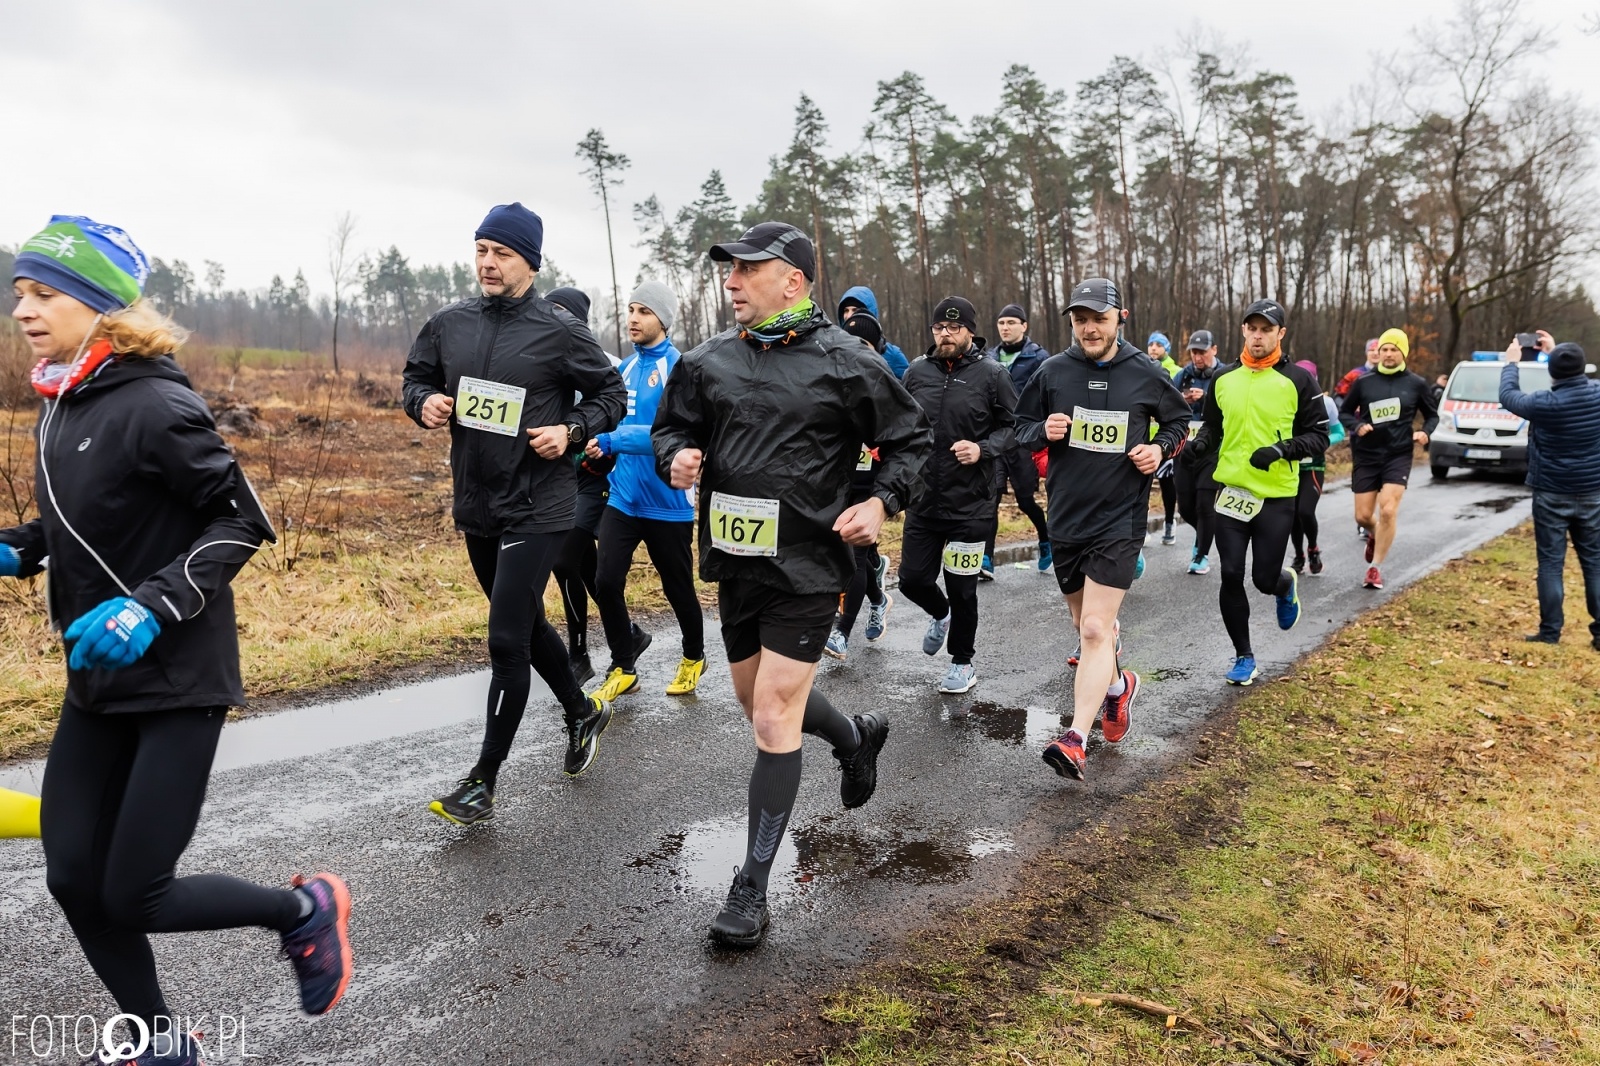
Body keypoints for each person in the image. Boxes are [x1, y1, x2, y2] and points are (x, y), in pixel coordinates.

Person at [3, 215, 351, 1065]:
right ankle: (161, 1039)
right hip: (97, 678)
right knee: (70, 877)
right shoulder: (63, 400)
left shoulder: (157, 402)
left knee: (135, 892)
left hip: (178, 677)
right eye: (18, 294)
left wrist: (152, 608)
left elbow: (242, 519)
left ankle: (301, 911)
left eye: (44, 293)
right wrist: (22, 546)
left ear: (98, 305)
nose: (24, 310)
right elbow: (93, 515)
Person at [653, 221, 933, 947]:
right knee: (758, 705)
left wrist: (881, 502)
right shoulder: (706, 361)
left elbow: (911, 439)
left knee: (774, 717)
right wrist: (678, 457)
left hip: (809, 567)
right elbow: (670, 430)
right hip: (734, 567)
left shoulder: (848, 362)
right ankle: (854, 736)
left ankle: (750, 889)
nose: (732, 281)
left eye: (748, 269)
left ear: (793, 282)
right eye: (729, 270)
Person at [403, 203, 626, 826]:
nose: (487, 263)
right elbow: (414, 378)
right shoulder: (449, 324)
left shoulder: (559, 329)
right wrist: (424, 404)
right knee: (525, 627)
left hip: (540, 503)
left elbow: (614, 394)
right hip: (478, 503)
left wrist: (573, 429)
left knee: (505, 640)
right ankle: (582, 712)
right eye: (480, 250)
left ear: (530, 261)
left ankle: (483, 781)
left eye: (501, 253)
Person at [1015, 278, 1189, 780]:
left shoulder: (1145, 372)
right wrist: (1039, 432)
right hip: (1067, 517)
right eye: (1080, 319)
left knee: (1095, 628)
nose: (1090, 328)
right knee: (1084, 626)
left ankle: (1075, 738)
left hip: (1120, 519)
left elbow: (1180, 425)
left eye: (1099, 318)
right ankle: (1118, 688)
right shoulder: (1052, 372)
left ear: (1120, 318)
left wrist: (1158, 450)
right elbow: (1017, 427)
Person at [1182, 299, 1327, 686]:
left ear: (1280, 333)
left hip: (1276, 495)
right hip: (1231, 491)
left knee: (1262, 578)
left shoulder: (1299, 380)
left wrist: (1281, 450)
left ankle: (1283, 585)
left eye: (1267, 329)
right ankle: (1244, 656)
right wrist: (1200, 444)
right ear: (1243, 331)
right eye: (1252, 328)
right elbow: (1212, 426)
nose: (1258, 335)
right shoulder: (1224, 379)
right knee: (1230, 573)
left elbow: (1319, 436)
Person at [585, 282, 707, 701]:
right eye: (631, 309)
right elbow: (611, 421)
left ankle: (694, 656)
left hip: (667, 502)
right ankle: (623, 665)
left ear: (663, 320)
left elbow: (667, 433)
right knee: (604, 580)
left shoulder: (679, 369)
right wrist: (595, 440)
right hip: (623, 497)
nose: (633, 318)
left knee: (677, 588)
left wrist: (614, 440)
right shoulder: (623, 369)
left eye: (644, 311)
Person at [899, 296, 1018, 694]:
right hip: (924, 498)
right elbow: (903, 425)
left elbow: (1014, 428)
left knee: (963, 586)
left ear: (970, 331)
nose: (945, 334)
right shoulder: (916, 371)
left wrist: (982, 449)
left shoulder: (992, 374)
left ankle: (962, 662)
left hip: (971, 503)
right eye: (939, 328)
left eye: (953, 328)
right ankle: (939, 613)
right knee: (911, 580)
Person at [1499, 342, 1600, 649]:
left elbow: (1507, 396)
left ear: (1552, 371)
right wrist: (1559, 352)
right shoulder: (1597, 394)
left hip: (1551, 494)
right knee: (1595, 563)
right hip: (1593, 492)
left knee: (1551, 563)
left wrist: (1512, 363)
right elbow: (1570, 373)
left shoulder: (1544, 403)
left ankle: (1550, 633)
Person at [546, 286, 622, 686]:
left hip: (597, 478)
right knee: (580, 564)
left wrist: (606, 452)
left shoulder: (608, 363)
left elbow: (622, 410)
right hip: (560, 476)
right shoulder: (541, 356)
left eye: (560, 311)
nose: (552, 318)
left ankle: (580, 652)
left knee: (563, 560)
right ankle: (627, 634)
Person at [1339, 327, 1438, 590]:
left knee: (1388, 509)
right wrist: (1357, 426)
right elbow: (1345, 412)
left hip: (1398, 453)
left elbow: (1433, 415)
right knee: (1362, 516)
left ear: (1403, 352)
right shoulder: (1364, 382)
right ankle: (1375, 533)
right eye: (1384, 349)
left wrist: (1425, 433)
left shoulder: (1416, 384)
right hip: (1367, 454)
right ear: (1378, 353)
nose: (1388, 354)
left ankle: (1375, 568)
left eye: (1394, 349)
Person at [826, 311, 896, 660]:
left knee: (852, 557)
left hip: (873, 489)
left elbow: (907, 440)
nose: (858, 350)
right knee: (853, 557)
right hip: (843, 483)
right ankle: (879, 597)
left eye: (865, 344)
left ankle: (841, 632)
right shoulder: (835, 379)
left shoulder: (886, 383)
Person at [982, 303, 1052, 574]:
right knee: (992, 499)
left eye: (1012, 322)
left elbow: (1047, 395)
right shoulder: (988, 357)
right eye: (1002, 323)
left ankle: (1045, 540)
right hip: (995, 438)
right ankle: (986, 559)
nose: (1006, 327)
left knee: (1025, 501)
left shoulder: (1038, 358)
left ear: (1024, 326)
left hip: (1023, 439)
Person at [1288, 360, 1345, 577]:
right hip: (1290, 466)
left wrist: (1322, 442)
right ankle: (1298, 556)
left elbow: (1339, 431)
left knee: (1305, 510)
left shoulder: (1325, 403)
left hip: (1313, 465)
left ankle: (1312, 548)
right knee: (1292, 514)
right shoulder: (1284, 399)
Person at [1173, 330, 1222, 574]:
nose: (1197, 356)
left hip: (1212, 450)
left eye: (1202, 351)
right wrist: (1185, 400)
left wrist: (1206, 400)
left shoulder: (1225, 375)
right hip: (1185, 448)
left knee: (1205, 504)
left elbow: (1230, 410)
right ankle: (1202, 534)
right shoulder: (1183, 375)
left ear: (1214, 350)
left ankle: (1201, 555)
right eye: (1193, 351)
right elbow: (1167, 404)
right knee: (1185, 508)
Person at [1145, 332, 1183, 544]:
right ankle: (1141, 526)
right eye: (1151, 344)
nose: (1153, 348)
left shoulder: (1176, 372)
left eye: (1159, 344)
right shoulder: (1141, 368)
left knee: (1167, 483)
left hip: (1165, 438)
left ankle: (1169, 522)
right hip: (1143, 436)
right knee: (1142, 485)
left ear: (1166, 348)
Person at [837, 285, 909, 379]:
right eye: (846, 310)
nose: (849, 315)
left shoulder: (892, 356)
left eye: (855, 310)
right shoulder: (836, 353)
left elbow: (911, 386)